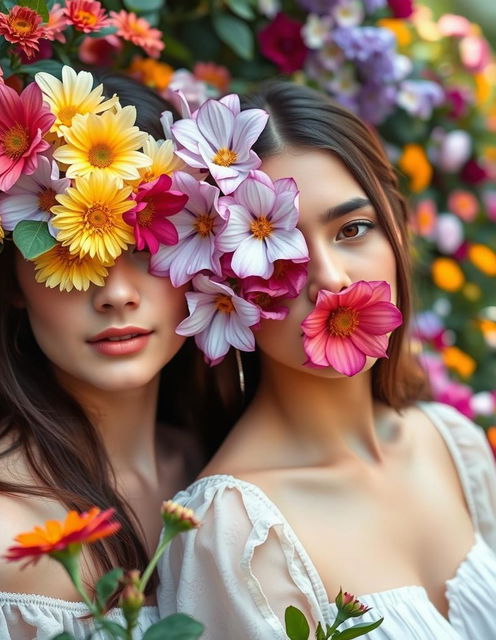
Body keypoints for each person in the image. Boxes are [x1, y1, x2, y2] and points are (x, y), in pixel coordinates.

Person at [0, 74, 229, 639]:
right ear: (15, 280)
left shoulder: (213, 462)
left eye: (145, 245)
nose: (117, 293)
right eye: (69, 247)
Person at [157, 81, 496, 639]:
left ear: (396, 230)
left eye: (352, 229)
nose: (330, 279)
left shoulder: (451, 445)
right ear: (219, 280)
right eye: (274, 243)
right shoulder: (233, 534)